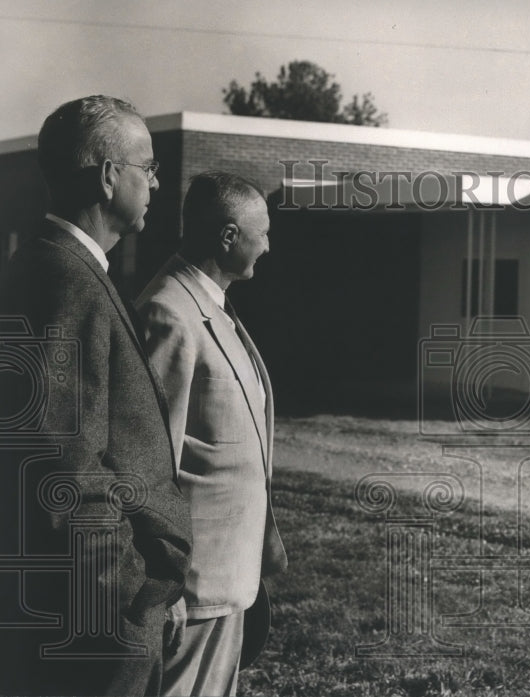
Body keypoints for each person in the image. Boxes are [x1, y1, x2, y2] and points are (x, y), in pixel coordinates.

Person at [0, 96, 192, 696]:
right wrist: (128, 602)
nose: (156, 182)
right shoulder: (65, 281)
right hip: (100, 618)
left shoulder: (59, 269)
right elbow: (64, 469)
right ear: (110, 177)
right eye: (149, 166)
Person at [135, 171, 287, 697]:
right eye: (261, 232)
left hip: (227, 578)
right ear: (228, 236)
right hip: (193, 587)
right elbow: (148, 463)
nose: (268, 245)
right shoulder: (169, 313)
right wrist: (164, 585)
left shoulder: (211, 306)